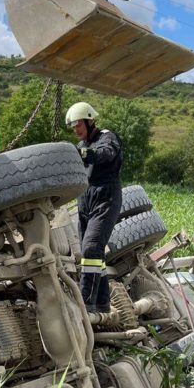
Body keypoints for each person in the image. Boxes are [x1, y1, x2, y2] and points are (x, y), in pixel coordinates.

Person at [66, 102, 122, 314]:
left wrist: (83, 154)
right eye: (73, 126)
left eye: (78, 124)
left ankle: (85, 302)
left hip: (105, 197)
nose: (75, 129)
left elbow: (106, 154)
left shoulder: (107, 137)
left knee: (90, 248)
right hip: (85, 199)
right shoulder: (82, 145)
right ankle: (101, 303)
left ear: (90, 121)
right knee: (93, 255)